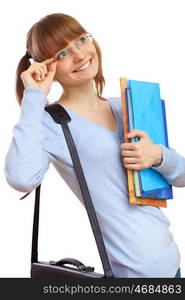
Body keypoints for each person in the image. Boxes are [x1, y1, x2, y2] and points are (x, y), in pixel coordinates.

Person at [4, 13, 185, 278]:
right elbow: (20, 178)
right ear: (46, 67)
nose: (79, 54)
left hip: (172, 266)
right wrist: (34, 97)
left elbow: (181, 176)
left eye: (80, 40)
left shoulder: (128, 105)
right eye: (63, 53)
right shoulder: (52, 122)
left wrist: (158, 156)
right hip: (130, 276)